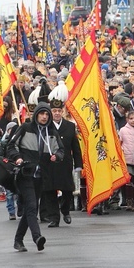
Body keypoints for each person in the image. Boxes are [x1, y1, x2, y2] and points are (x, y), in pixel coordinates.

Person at [7, 102, 65, 252]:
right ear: (36, 115)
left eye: (47, 114)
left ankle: (18, 240)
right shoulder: (25, 128)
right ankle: (37, 237)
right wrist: (17, 157)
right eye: (42, 114)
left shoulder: (52, 132)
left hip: (41, 176)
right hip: (25, 173)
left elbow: (61, 149)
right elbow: (11, 145)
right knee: (32, 206)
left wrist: (57, 156)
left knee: (30, 209)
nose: (44, 117)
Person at [41, 90, 82, 227]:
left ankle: (65, 210)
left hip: (65, 163)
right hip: (49, 164)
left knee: (68, 189)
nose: (57, 113)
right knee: (50, 191)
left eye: (59, 110)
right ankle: (54, 217)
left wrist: (78, 164)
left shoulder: (70, 126)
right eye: (54, 110)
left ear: (63, 111)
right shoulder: (45, 127)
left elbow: (75, 147)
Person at [118, 110, 134, 211]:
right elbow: (119, 143)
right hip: (127, 158)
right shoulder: (123, 130)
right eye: (131, 119)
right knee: (128, 180)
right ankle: (129, 201)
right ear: (127, 119)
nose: (133, 121)